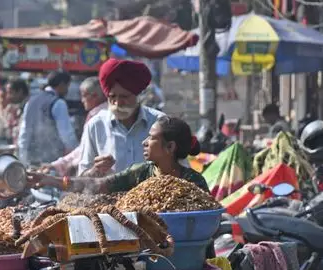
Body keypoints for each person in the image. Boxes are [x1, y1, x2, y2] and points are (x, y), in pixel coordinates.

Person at [29, 116, 208, 195]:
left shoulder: (194, 182)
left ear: (170, 147)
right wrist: (51, 180)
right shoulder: (140, 172)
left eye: (151, 138)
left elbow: (210, 221)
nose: (144, 142)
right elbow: (96, 186)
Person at [78, 59, 165, 177]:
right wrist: (95, 170)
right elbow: (82, 177)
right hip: (109, 195)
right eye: (112, 97)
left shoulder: (159, 122)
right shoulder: (95, 125)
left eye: (124, 96)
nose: (118, 103)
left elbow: (179, 169)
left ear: (137, 95)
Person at [43, 76, 108, 176]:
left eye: (83, 96)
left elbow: (83, 151)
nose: (81, 100)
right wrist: (57, 165)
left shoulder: (97, 118)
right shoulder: (101, 114)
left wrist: (58, 165)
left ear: (95, 96)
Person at [17, 70, 77, 166]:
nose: (67, 90)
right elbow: (66, 134)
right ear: (61, 84)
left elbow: (24, 132)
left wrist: (22, 158)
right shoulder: (58, 103)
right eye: (67, 86)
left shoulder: (31, 101)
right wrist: (75, 155)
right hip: (52, 162)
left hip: (31, 160)